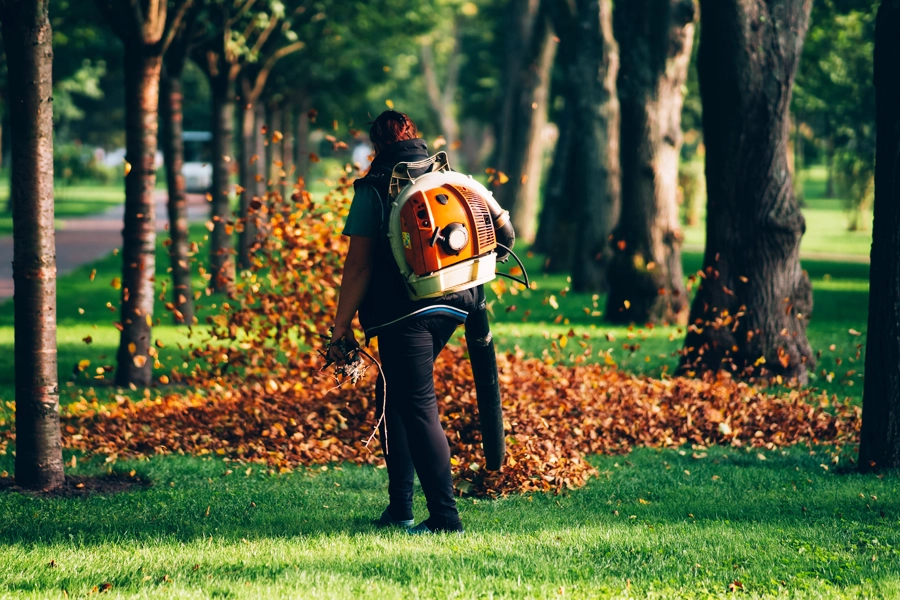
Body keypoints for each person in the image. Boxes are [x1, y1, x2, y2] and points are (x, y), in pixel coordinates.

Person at [329, 110, 476, 534]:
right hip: (454, 304)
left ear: (377, 146)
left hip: (405, 313)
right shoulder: (445, 177)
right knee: (393, 392)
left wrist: (341, 329)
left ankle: (446, 519)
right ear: (415, 137)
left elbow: (358, 267)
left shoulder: (374, 188)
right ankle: (400, 509)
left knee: (416, 406)